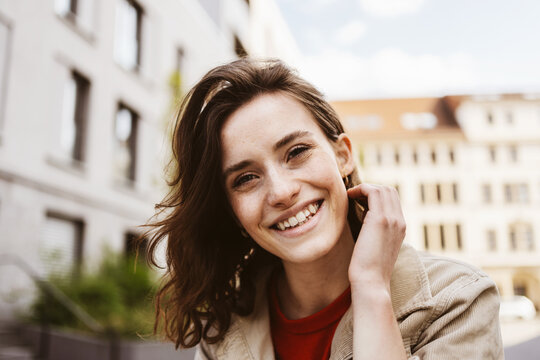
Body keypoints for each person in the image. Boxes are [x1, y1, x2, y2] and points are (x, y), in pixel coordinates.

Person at [144, 58, 503, 359]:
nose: (281, 192)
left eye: (297, 152)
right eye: (246, 178)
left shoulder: (459, 301)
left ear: (343, 155)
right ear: (231, 211)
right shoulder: (223, 330)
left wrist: (371, 287)